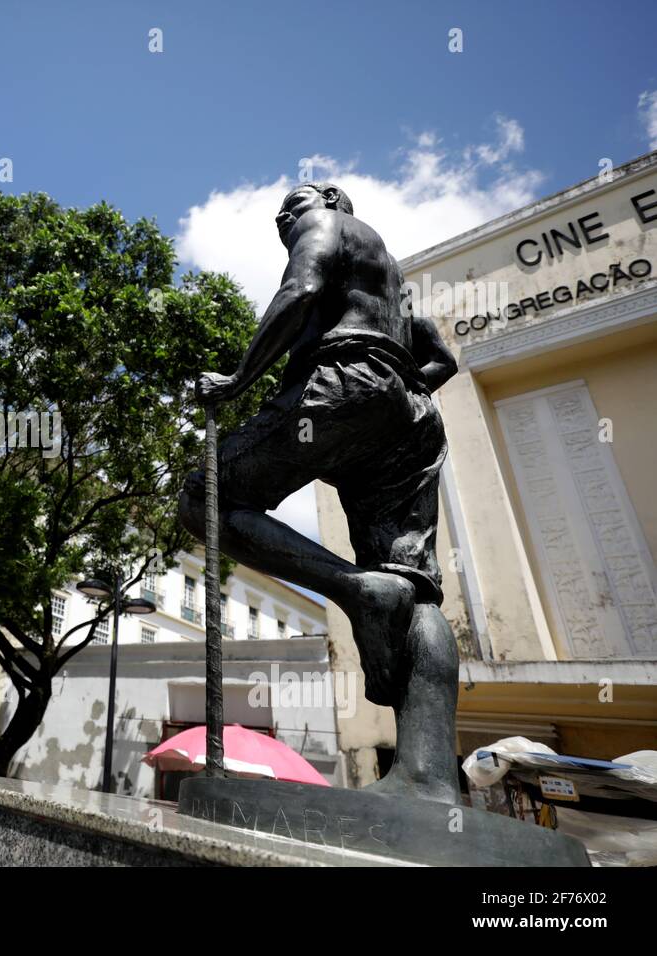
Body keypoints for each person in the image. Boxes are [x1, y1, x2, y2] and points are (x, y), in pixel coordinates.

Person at [178, 181, 461, 802]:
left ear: (333, 198)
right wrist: (393, 401)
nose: (286, 216)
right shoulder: (394, 290)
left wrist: (237, 378)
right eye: (284, 213)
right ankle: (430, 777)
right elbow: (443, 360)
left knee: (203, 497)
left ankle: (356, 590)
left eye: (295, 203)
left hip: (340, 383)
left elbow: (299, 289)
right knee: (415, 588)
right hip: (409, 414)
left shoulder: (330, 227)